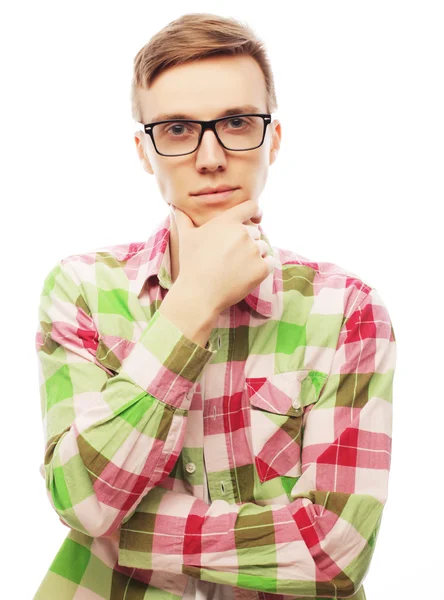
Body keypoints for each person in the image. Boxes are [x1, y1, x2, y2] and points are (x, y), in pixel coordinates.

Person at [33, 12, 396, 600]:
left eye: (235, 122)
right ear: (143, 152)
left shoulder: (347, 309)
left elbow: (333, 551)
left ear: (273, 139)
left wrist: (119, 530)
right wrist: (193, 301)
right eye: (177, 129)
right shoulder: (83, 291)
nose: (209, 157)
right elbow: (81, 496)